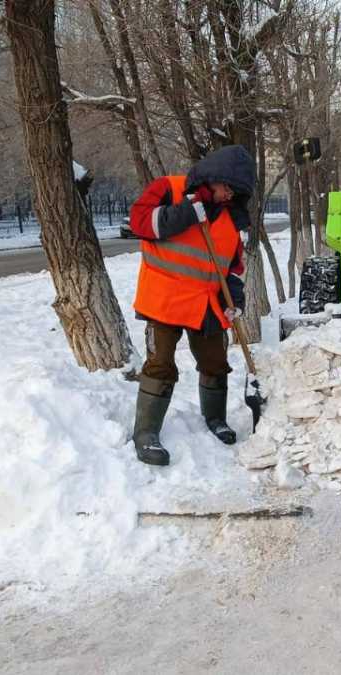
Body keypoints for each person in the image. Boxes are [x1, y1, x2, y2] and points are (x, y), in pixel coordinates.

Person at [126, 145, 256, 466]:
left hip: (206, 304)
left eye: (234, 192)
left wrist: (235, 301)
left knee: (215, 361)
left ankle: (215, 419)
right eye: (226, 187)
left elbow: (232, 270)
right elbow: (140, 222)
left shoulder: (229, 220)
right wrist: (187, 211)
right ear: (213, 177)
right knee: (161, 364)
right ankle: (146, 434)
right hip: (165, 299)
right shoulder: (169, 188)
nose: (228, 196)